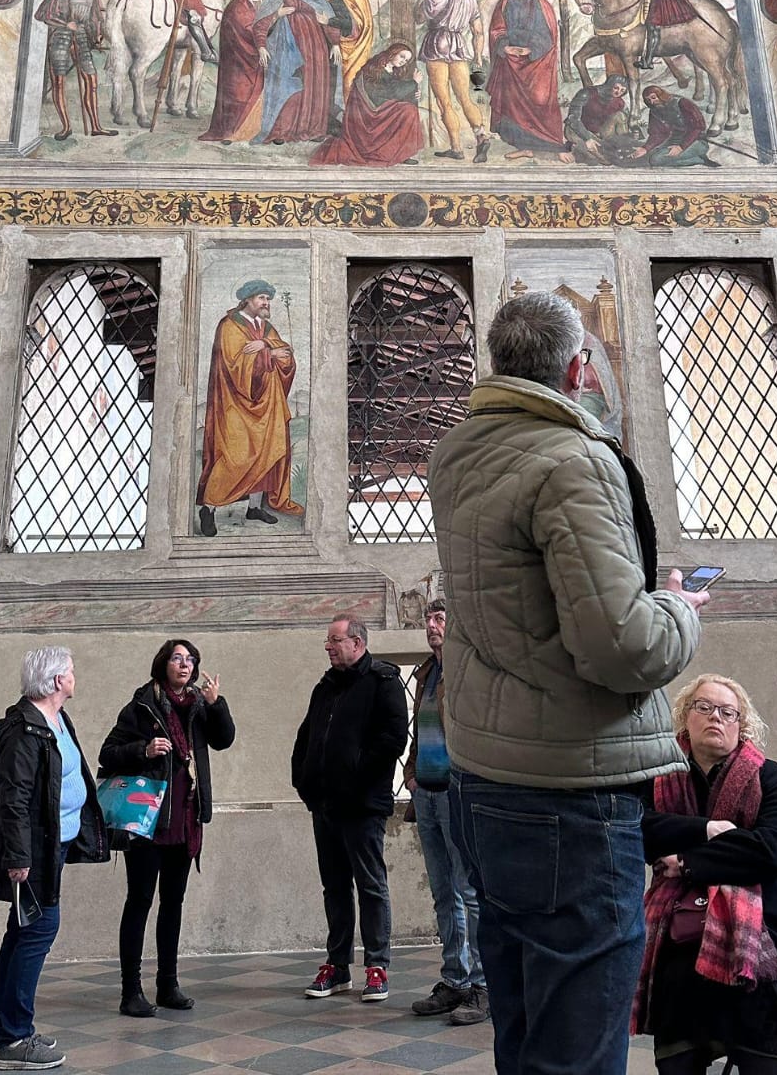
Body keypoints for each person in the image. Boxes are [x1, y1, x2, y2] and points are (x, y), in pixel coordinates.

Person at [427, 290, 706, 1075]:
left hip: (489, 778)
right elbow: (622, 646)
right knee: (577, 1049)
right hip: (570, 790)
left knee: (526, 1036)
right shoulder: (572, 461)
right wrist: (680, 609)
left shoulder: (455, 453)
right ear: (579, 368)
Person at [632, 673, 777, 1075]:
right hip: (677, 935)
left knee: (763, 1049)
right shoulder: (657, 775)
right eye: (704, 707)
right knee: (678, 1053)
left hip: (762, 934)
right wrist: (706, 829)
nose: (716, 717)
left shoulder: (768, 775)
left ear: (741, 725)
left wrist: (686, 861)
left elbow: (773, 846)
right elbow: (639, 829)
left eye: (727, 712)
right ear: (686, 717)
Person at [0, 647, 108, 1071]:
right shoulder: (24, 729)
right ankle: (16, 1038)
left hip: (51, 845)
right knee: (37, 932)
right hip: (33, 851)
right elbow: (13, 801)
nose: (75, 676)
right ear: (57, 681)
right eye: (71, 671)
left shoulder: (54, 720)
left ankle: (4, 1031)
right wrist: (18, 858)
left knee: (21, 933)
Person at [99, 638, 236, 1018]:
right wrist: (143, 749)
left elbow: (225, 739)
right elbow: (107, 753)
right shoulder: (142, 705)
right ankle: (130, 990)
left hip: (186, 822)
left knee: (172, 903)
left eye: (190, 659)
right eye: (177, 658)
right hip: (149, 824)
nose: (185, 665)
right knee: (140, 902)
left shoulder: (197, 706)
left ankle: (167, 984)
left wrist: (215, 703)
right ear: (163, 664)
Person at [292, 617, 408, 1004]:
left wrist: (353, 777)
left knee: (371, 886)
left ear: (357, 643)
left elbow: (392, 739)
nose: (328, 647)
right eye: (327, 640)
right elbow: (306, 735)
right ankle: (337, 965)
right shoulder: (325, 686)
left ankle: (377, 966)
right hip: (324, 805)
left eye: (334, 640)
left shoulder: (383, 681)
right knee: (335, 887)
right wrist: (303, 780)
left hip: (361, 806)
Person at [404, 600, 488, 1028]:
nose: (432, 627)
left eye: (440, 620)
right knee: (443, 894)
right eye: (429, 621)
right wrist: (411, 772)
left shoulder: (469, 670)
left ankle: (482, 985)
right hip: (427, 794)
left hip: (459, 794)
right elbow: (419, 726)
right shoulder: (425, 672)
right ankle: (454, 978)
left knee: (470, 893)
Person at [196, 278, 304, 536]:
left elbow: (286, 353)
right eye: (262, 298)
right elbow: (233, 363)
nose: (266, 303)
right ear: (247, 300)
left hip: (269, 403)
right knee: (234, 454)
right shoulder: (230, 326)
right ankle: (208, 509)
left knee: (268, 451)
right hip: (236, 403)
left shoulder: (266, 328)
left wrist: (266, 346)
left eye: (268, 299)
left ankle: (255, 507)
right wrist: (267, 355)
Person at [486, 0, 570, 161]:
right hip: (510, 61)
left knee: (540, 101)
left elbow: (547, 33)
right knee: (512, 104)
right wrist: (505, 47)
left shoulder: (539, 2)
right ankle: (524, 147)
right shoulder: (505, 2)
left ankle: (555, 144)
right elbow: (497, 29)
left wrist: (531, 50)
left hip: (535, 63)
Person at [253, 0, 340, 145]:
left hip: (315, 45)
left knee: (315, 84)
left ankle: (314, 129)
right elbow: (260, 25)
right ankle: (282, 131)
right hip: (287, 49)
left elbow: (326, 16)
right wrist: (263, 43)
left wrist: (335, 42)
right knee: (288, 86)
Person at [418, 0, 490, 162]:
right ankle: (481, 136)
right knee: (465, 98)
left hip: (437, 43)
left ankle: (456, 148)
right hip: (458, 45)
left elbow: (422, 16)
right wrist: (476, 55)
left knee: (444, 101)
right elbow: (477, 31)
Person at [35, 0, 116, 141]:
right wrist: (65, 24)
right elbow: (43, 15)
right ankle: (66, 127)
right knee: (59, 82)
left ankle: (96, 126)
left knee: (91, 80)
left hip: (81, 38)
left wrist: (97, 34)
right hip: (60, 38)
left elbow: (95, 19)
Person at [310, 42, 422, 166]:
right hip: (367, 116)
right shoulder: (374, 68)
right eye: (402, 56)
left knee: (409, 110)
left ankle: (401, 153)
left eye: (406, 60)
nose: (403, 61)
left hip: (380, 109)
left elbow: (393, 92)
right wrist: (413, 83)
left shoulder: (392, 71)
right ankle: (395, 153)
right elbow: (388, 93)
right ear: (393, 52)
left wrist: (413, 94)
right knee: (408, 111)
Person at [200, 0, 268, 143]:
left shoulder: (256, 5)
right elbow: (247, 31)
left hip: (251, 59)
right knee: (237, 94)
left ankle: (251, 130)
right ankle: (231, 131)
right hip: (237, 61)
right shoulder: (238, 7)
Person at [318, 0, 374, 100]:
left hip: (356, 44)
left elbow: (357, 24)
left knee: (351, 80)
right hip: (337, 42)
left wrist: (329, 21)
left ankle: (353, 112)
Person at [632, 85, 719, 168]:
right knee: (648, 156)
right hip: (673, 142)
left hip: (695, 142)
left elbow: (698, 128)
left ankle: (700, 160)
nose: (652, 102)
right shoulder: (655, 111)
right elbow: (657, 134)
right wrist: (645, 148)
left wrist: (681, 147)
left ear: (661, 95)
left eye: (653, 97)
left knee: (656, 160)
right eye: (648, 100)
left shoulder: (682, 103)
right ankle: (692, 156)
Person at [564, 73, 631, 162]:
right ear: (609, 85)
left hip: (599, 134)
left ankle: (623, 147)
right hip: (576, 130)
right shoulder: (587, 93)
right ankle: (576, 148)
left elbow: (618, 124)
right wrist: (587, 138)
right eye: (616, 88)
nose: (618, 92)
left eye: (622, 91)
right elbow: (573, 119)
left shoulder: (619, 102)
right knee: (597, 159)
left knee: (620, 116)